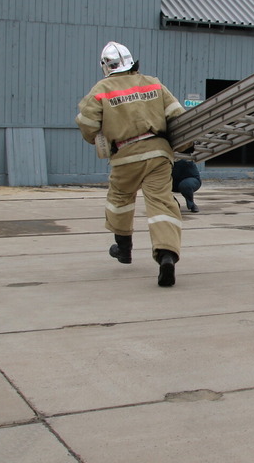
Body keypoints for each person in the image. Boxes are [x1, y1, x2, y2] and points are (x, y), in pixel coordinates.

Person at [76, 41, 184, 287]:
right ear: (131, 61)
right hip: (158, 153)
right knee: (161, 202)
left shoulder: (101, 90)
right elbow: (176, 114)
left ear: (106, 66)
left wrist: (97, 137)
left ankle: (124, 249)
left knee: (120, 200)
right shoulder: (153, 83)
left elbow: (87, 124)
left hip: (126, 155)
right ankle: (166, 254)